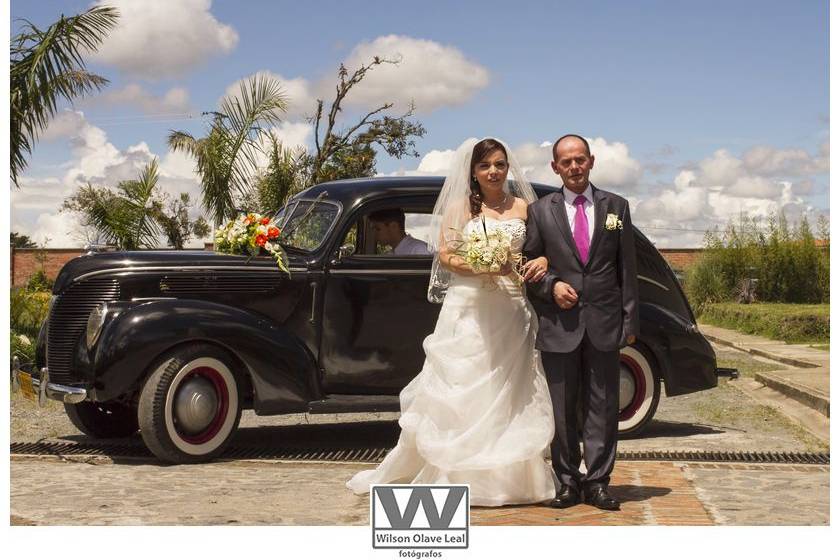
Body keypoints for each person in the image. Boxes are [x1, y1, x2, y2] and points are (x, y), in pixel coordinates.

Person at [346, 138, 556, 506]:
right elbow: (446, 256)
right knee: (465, 386)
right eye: (485, 165)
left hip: (511, 307)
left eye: (500, 164)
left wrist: (542, 263)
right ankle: (457, 471)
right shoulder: (461, 207)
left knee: (512, 391)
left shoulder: (525, 207)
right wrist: (484, 263)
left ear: (508, 168)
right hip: (470, 308)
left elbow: (541, 250)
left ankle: (512, 478)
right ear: (473, 172)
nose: (493, 171)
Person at [523, 134, 639, 511]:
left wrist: (629, 319)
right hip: (560, 325)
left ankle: (599, 483)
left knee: (603, 408)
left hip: (605, 322)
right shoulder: (540, 212)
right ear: (555, 167)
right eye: (565, 161)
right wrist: (552, 286)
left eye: (580, 160)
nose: (574, 167)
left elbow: (627, 268)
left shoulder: (616, 209)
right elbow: (529, 267)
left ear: (591, 161)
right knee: (561, 408)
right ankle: (568, 482)